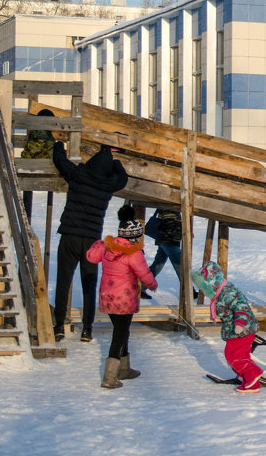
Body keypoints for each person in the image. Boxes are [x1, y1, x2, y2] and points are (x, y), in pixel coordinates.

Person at [51, 140, 129, 342]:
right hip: (92, 242)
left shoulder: (78, 175)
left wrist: (59, 144)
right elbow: (123, 179)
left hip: (70, 236)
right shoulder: (108, 185)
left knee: (63, 281)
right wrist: (115, 163)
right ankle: (87, 329)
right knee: (89, 285)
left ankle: (59, 325)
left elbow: (59, 160)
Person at [87, 205, 157, 389]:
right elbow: (144, 273)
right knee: (119, 334)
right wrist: (152, 285)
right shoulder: (134, 253)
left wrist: (101, 243)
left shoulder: (107, 247)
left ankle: (124, 369)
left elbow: (90, 257)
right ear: (135, 237)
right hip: (125, 301)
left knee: (121, 330)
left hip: (108, 299)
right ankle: (109, 377)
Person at [190, 260, 262, 393]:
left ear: (211, 282)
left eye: (204, 287)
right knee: (235, 354)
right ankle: (251, 379)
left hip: (242, 329)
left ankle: (252, 374)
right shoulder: (221, 292)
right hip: (236, 329)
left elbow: (241, 306)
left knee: (235, 355)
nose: (203, 291)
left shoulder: (228, 292)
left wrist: (240, 323)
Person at [144, 207, 183, 300]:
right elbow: (170, 226)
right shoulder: (169, 208)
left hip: (165, 241)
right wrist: (182, 232)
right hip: (169, 241)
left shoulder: (171, 208)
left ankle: (140, 287)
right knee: (180, 266)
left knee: (157, 265)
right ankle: (189, 290)